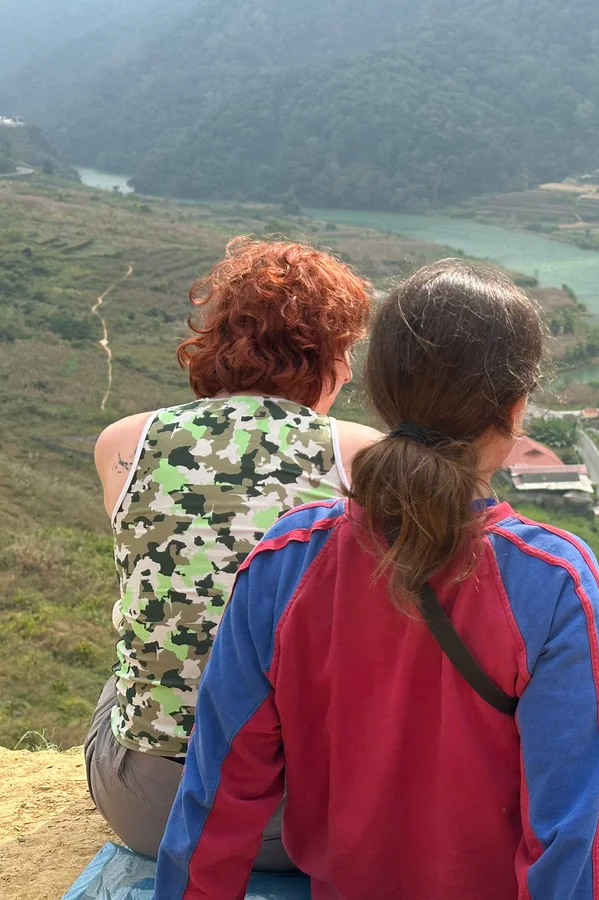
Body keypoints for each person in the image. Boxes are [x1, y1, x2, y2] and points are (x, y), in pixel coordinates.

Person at [153, 261, 599, 899]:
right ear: (517, 410)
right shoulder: (552, 581)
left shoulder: (287, 560)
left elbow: (217, 797)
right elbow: (583, 841)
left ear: (383, 395)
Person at [85, 237, 382, 868]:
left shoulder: (125, 441)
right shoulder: (363, 455)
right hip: (314, 817)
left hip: (154, 814)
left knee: (128, 659)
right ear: (319, 351)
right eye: (346, 351)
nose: (350, 372)